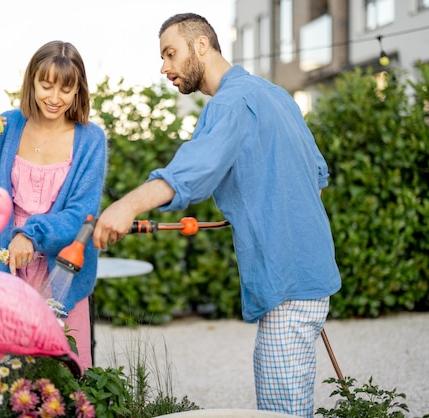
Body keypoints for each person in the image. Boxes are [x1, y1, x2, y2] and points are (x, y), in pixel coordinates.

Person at [92, 13, 341, 417]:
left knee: (281, 413)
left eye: (170, 54)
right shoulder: (275, 94)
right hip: (312, 277)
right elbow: (317, 177)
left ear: (202, 45)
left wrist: (125, 206)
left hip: (287, 281)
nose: (164, 67)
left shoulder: (230, 102)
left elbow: (193, 170)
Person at [0, 40, 107, 371]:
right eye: (46, 85)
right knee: (9, 375)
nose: (55, 98)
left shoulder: (90, 139)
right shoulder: (8, 127)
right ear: (32, 82)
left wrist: (30, 235)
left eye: (66, 89)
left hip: (63, 275)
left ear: (78, 91)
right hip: (7, 270)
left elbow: (81, 216)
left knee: (69, 374)